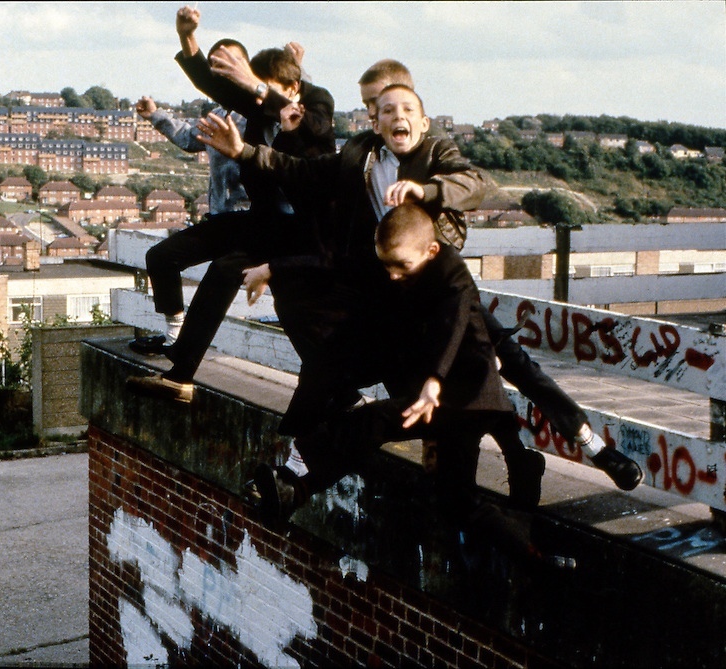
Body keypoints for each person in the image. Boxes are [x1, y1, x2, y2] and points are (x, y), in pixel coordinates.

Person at [196, 68, 643, 497]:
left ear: (423, 120)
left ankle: (594, 448)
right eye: (382, 110)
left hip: (443, 286)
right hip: (391, 293)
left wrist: (425, 192)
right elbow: (300, 171)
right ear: (373, 119)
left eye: (404, 109)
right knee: (353, 368)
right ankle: (303, 465)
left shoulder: (437, 153)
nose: (395, 117)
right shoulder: (359, 155)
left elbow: (475, 183)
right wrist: (243, 153)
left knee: (511, 362)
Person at [252, 203, 575, 568]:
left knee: (372, 422)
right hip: (449, 405)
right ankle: (537, 561)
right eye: (386, 265)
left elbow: (455, 332)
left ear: (431, 251)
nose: (391, 275)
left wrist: (435, 381)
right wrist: (273, 269)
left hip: (465, 398)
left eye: (400, 266)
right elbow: (336, 263)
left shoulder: (453, 282)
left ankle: (294, 486)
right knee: (456, 501)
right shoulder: (402, 275)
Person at [126, 4, 337, 404]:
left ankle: (338, 391)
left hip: (311, 232)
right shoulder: (254, 110)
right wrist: (187, 37)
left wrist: (257, 85)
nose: (255, 98)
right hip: (268, 224)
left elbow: (315, 127)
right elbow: (210, 82)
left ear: (290, 88)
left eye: (262, 89)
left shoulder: (316, 102)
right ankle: (181, 376)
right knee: (223, 271)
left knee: (301, 321)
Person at [128, 38, 252, 357]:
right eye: (215, 67)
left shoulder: (262, 115)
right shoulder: (218, 115)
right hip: (222, 221)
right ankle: (174, 337)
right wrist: (155, 114)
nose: (222, 73)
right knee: (161, 257)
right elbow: (187, 137)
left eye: (230, 64)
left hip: (258, 224)